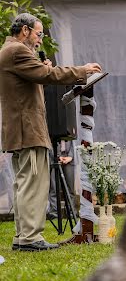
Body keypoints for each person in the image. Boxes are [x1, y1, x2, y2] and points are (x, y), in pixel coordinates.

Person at [0, 13, 102, 251]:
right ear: (24, 30)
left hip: (19, 129)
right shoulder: (17, 51)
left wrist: (41, 69)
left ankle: (22, 236)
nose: (40, 40)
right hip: (27, 130)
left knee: (23, 184)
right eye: (38, 33)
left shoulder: (10, 51)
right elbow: (49, 75)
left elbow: (37, 78)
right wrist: (83, 70)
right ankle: (30, 238)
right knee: (33, 184)